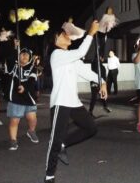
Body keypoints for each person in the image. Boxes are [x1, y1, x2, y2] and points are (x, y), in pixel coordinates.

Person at [44, 20, 107, 183]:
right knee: (54, 140)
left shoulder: (71, 58)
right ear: (56, 39)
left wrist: (102, 81)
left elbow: (86, 72)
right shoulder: (57, 55)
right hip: (60, 102)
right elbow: (80, 52)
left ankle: (63, 145)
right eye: (63, 33)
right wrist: (91, 34)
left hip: (74, 102)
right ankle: (49, 176)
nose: (68, 34)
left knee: (91, 128)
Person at [4, 45, 39, 151]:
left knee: (32, 118)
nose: (24, 56)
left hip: (28, 98)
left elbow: (32, 82)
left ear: (30, 57)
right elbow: (9, 58)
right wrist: (15, 47)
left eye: (27, 55)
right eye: (22, 54)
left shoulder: (33, 68)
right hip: (15, 99)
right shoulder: (12, 66)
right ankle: (13, 140)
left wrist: (24, 87)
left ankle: (31, 131)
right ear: (18, 55)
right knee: (14, 121)